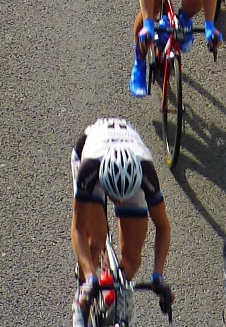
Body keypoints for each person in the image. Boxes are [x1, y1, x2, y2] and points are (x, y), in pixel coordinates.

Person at [70, 119, 172, 327]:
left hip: (129, 166)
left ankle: (117, 288)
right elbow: (78, 228)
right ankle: (81, 297)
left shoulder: (146, 173)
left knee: (133, 260)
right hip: (92, 155)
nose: (118, 203)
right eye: (115, 196)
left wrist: (158, 275)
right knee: (95, 240)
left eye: (122, 198)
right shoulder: (89, 170)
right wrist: (90, 276)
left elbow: (163, 227)